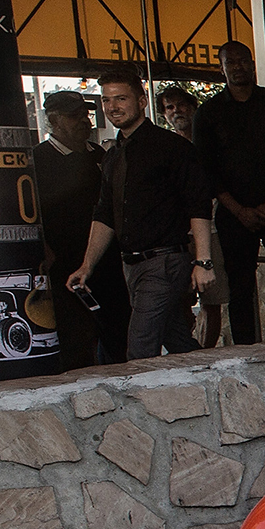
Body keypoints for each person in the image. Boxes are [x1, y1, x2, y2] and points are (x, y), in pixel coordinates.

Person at [68, 68, 216, 360]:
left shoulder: (171, 147)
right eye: (107, 100)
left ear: (142, 100)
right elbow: (105, 214)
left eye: (121, 98)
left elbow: (198, 205)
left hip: (164, 262)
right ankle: (223, 385)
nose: (113, 107)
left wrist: (203, 261)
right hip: (131, 266)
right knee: (178, 343)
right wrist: (87, 266)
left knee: (140, 348)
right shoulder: (112, 155)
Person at [192, 40, 265, 344]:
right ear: (221, 68)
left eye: (243, 60)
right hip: (234, 214)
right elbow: (207, 171)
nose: (238, 67)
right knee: (240, 291)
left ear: (252, 63)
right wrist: (239, 210)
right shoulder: (208, 114)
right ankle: (246, 355)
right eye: (230, 62)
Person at [34, 91, 129, 368]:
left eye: (85, 115)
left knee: (117, 331)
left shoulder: (99, 155)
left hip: (106, 260)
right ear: (54, 120)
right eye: (74, 116)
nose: (84, 122)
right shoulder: (38, 159)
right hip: (65, 266)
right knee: (77, 338)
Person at [159, 86, 229, 346]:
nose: (176, 110)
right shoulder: (164, 149)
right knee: (179, 301)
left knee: (212, 300)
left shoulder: (209, 145)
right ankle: (186, 349)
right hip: (176, 235)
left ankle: (208, 351)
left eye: (181, 104)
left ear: (193, 106)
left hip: (211, 231)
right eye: (169, 107)